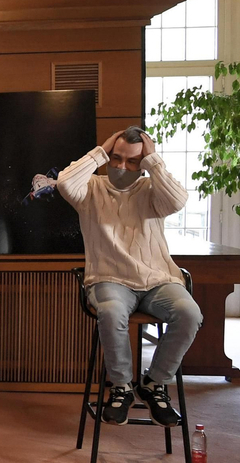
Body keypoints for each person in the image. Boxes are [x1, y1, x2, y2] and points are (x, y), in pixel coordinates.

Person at [56, 126, 197, 426]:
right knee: (111, 311)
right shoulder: (90, 189)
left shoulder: (151, 190)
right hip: (110, 279)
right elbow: (64, 181)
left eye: (132, 161)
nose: (122, 167)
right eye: (116, 158)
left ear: (143, 162)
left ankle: (154, 384)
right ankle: (120, 388)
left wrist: (154, 162)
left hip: (159, 280)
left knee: (189, 313)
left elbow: (178, 201)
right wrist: (101, 152)